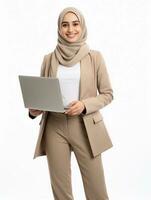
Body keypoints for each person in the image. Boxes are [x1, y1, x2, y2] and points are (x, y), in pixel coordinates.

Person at [29, 7, 113, 200]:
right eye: (65, 24)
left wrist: (84, 105)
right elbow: (43, 94)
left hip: (85, 127)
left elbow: (107, 94)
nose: (70, 29)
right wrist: (34, 111)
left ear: (82, 26)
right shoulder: (49, 59)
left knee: (96, 189)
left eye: (75, 24)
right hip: (54, 126)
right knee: (61, 191)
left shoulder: (95, 57)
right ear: (59, 28)